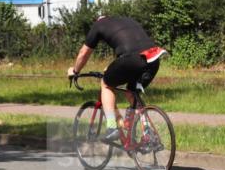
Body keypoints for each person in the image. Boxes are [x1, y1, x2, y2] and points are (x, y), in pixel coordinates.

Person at [67, 16, 167, 144]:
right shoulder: (126, 20)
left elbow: (84, 53)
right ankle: (149, 134)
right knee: (131, 92)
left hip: (132, 58)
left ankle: (111, 127)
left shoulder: (99, 25)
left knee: (106, 84)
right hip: (153, 58)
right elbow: (128, 47)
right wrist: (110, 67)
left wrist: (75, 71)